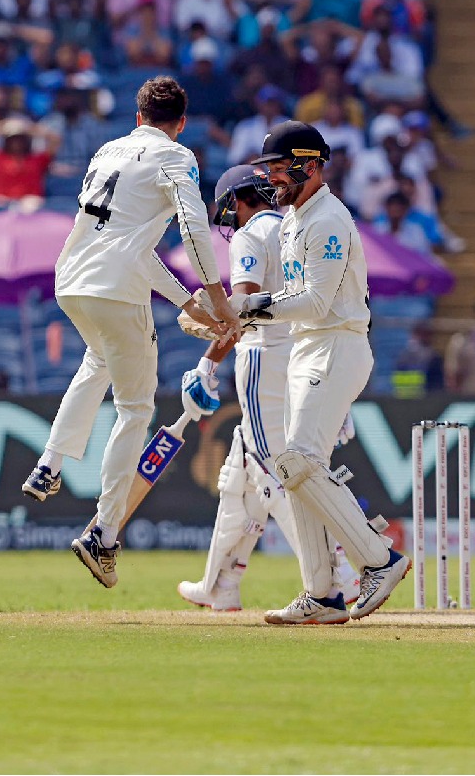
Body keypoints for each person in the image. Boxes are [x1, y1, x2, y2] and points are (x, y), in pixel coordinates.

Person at [21, 77, 240, 588]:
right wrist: (218, 297)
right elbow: (193, 227)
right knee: (136, 408)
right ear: (180, 124)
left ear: (138, 117)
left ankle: (49, 464)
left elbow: (134, 249)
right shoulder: (177, 158)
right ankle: (105, 532)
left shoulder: (108, 151)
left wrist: (188, 302)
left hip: (72, 280)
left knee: (97, 361)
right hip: (116, 288)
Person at [234, 120, 411, 623]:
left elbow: (316, 301)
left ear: (310, 166)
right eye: (266, 169)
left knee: (298, 459)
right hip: (307, 350)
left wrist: (251, 308)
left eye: (278, 168)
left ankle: (379, 559)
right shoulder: (294, 218)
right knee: (293, 469)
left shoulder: (328, 220)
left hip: (335, 346)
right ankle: (322, 593)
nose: (271, 178)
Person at [176, 166, 359, 614]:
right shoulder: (297, 227)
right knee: (240, 474)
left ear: (239, 199)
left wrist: (206, 363)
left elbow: (242, 311)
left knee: (275, 470)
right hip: (305, 356)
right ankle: (220, 583)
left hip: (263, 360)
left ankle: (340, 573)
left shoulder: (250, 235)